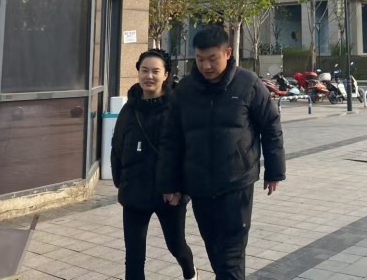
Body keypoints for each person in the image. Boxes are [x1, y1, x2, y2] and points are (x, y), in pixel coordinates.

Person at [159, 25, 286, 280]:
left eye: (212, 59)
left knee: (231, 255)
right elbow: (171, 139)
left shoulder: (248, 84)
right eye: (200, 59)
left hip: (236, 182)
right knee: (215, 249)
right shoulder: (184, 91)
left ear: (227, 53)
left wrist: (275, 170)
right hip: (199, 184)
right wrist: (170, 183)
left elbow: (271, 127)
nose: (206, 66)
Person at [111, 49, 198, 280]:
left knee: (176, 245)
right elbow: (117, 145)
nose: (149, 76)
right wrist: (120, 180)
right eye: (144, 70)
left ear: (166, 74)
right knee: (134, 256)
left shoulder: (177, 109)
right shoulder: (129, 109)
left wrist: (181, 189)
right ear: (138, 73)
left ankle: (190, 273)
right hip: (134, 191)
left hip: (168, 194)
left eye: (155, 71)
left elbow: (187, 152)